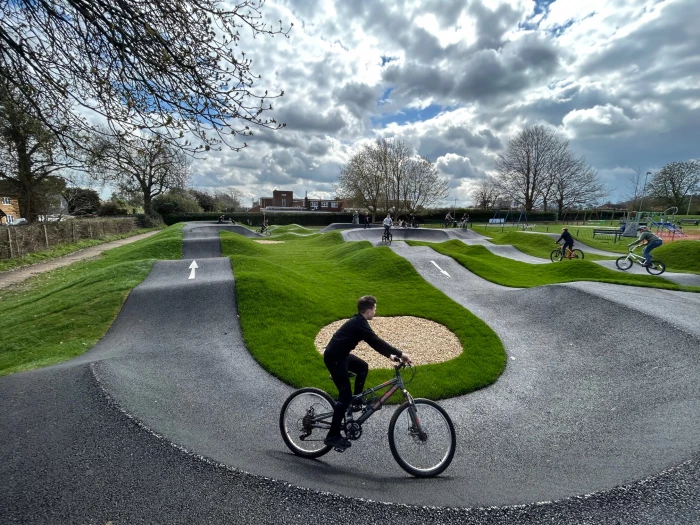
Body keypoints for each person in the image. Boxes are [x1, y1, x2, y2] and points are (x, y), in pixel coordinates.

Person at [323, 296, 412, 450]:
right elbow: (376, 340)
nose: (376, 311)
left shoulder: (359, 322)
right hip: (334, 359)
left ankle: (356, 402)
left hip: (342, 356)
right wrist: (401, 353)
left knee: (363, 367)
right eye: (375, 309)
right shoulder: (359, 324)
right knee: (344, 397)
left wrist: (390, 355)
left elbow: (373, 343)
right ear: (369, 311)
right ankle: (333, 435)